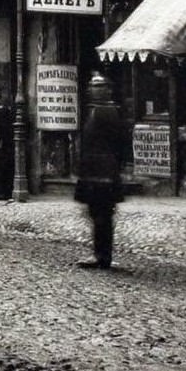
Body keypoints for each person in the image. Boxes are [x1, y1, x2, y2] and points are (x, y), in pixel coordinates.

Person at [74, 72, 130, 270]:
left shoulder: (108, 111)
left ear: (107, 90)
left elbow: (120, 143)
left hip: (103, 173)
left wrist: (114, 167)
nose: (93, 90)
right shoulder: (95, 110)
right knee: (97, 213)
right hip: (94, 172)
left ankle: (103, 256)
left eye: (98, 87)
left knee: (102, 215)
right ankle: (100, 254)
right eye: (92, 86)